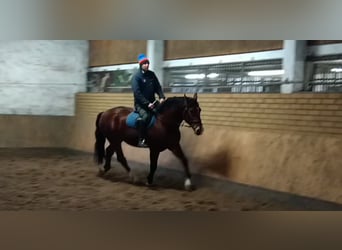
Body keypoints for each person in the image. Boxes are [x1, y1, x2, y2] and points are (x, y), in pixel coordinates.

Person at [132, 53, 165, 147]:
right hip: (140, 105)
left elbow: (158, 87)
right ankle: (141, 139)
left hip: (153, 102)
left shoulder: (151, 74)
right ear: (140, 65)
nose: (146, 65)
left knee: (163, 114)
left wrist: (161, 96)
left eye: (147, 63)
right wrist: (147, 104)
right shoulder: (136, 77)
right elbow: (137, 93)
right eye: (144, 63)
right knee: (146, 117)